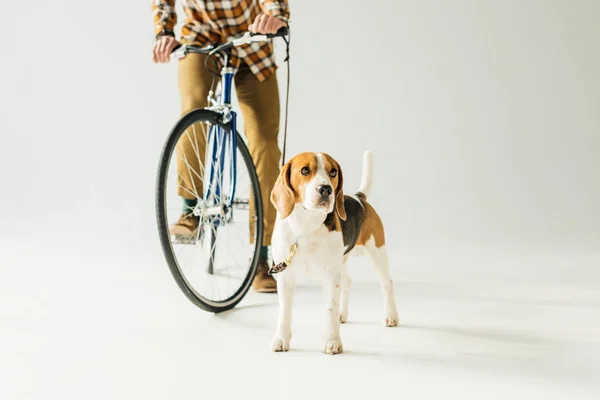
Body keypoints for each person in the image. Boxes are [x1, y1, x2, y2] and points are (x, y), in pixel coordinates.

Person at [151, 0, 290, 293]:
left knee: (264, 144)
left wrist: (274, 16)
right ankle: (189, 209)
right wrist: (163, 31)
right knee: (192, 110)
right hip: (201, 40)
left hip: (253, 41)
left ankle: (262, 258)